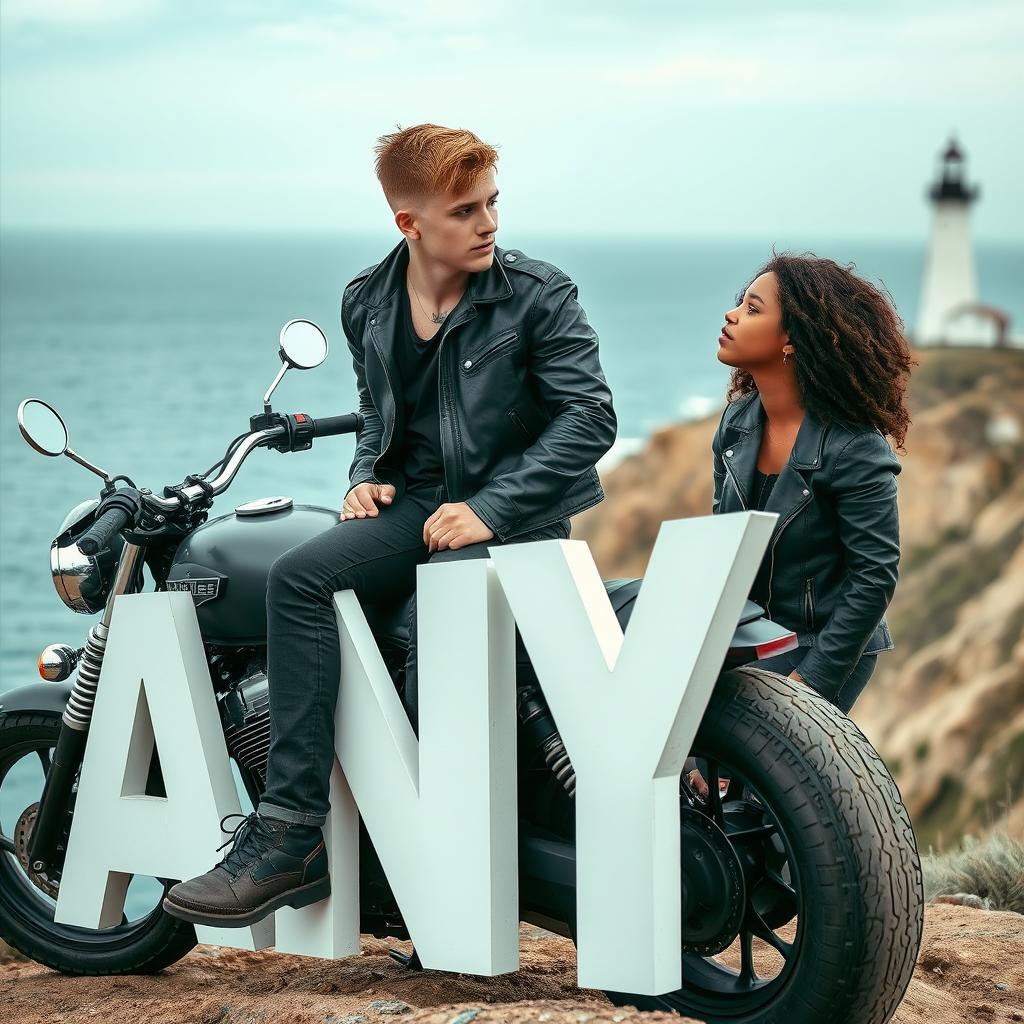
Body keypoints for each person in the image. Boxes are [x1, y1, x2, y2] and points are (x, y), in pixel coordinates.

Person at [163, 123, 617, 928]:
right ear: (409, 224)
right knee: (301, 580)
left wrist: (490, 508)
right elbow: (381, 410)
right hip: (415, 509)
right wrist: (365, 474)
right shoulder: (366, 301)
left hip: (514, 517)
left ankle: (436, 866)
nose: (489, 225)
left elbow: (589, 419)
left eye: (492, 203)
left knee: (425, 644)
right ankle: (292, 836)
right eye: (464, 211)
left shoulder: (539, 295)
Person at [713, 253, 915, 711]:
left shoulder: (854, 448)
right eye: (740, 304)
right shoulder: (736, 424)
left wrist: (811, 682)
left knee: (753, 780)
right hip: (750, 639)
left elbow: (874, 576)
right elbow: (722, 541)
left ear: (791, 339)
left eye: (753, 309)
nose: (732, 315)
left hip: (823, 646)